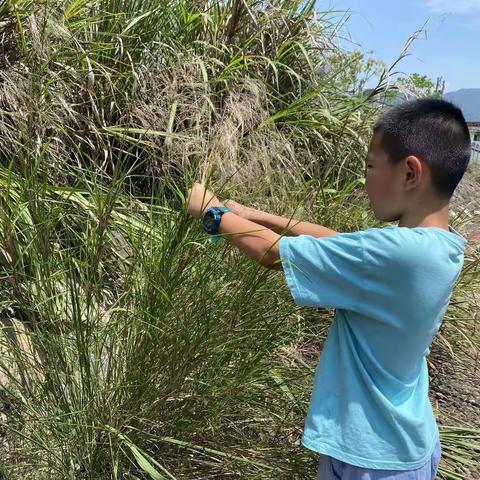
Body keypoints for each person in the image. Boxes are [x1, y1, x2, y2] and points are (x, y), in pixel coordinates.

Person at [186, 98, 472, 479]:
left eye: (370, 166)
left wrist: (212, 213)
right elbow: (343, 241)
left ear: (410, 173)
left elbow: (273, 255)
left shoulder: (400, 253)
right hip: (401, 442)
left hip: (372, 458)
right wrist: (256, 216)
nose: (365, 178)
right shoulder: (438, 245)